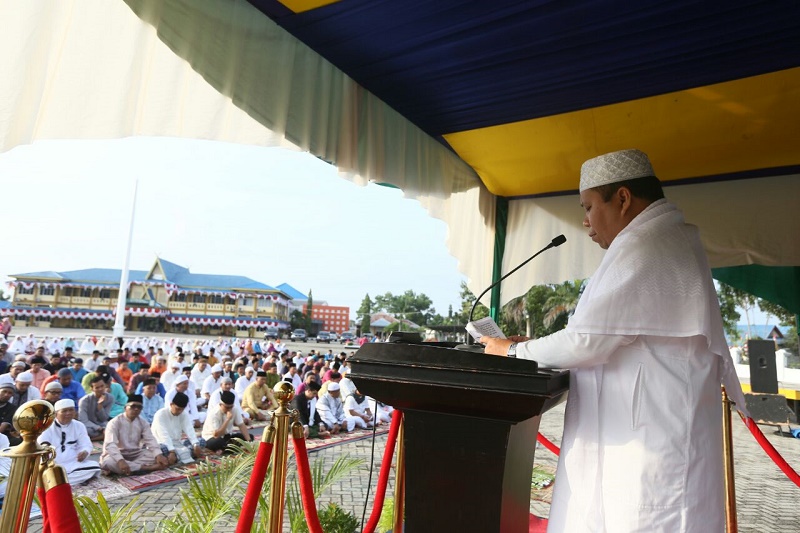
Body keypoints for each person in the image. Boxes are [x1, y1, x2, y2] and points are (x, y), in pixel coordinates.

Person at [480, 149, 747, 532]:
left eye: (589, 207)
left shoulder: (648, 245)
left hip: (650, 440)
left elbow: (588, 341)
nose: (585, 222)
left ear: (623, 199)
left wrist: (514, 350)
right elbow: (607, 333)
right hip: (639, 430)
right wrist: (535, 346)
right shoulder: (655, 240)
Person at [99, 394, 169, 475]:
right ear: (125, 408)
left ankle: (130, 468)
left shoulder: (143, 422)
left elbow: (150, 440)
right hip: (117, 455)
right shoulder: (114, 422)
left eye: (139, 407)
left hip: (135, 454)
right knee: (109, 462)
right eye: (133, 406)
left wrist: (158, 455)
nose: (136, 409)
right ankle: (147, 468)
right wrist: (120, 460)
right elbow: (110, 445)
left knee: (155, 454)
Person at [38, 399, 101, 486]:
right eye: (64, 411)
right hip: (53, 462)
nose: (68, 413)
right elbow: (42, 445)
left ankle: (56, 481)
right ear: (56, 414)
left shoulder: (79, 426)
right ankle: (64, 480)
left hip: (73, 462)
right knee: (43, 471)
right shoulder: (47, 426)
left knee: (95, 467)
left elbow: (86, 444)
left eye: (71, 410)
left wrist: (85, 452)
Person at [151, 391, 205, 465]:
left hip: (178, 443)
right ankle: (183, 454)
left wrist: (195, 444)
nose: (179, 412)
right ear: (171, 404)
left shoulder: (183, 413)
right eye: (177, 409)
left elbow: (189, 429)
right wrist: (171, 451)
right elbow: (163, 435)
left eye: (182, 409)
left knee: (201, 441)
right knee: (162, 449)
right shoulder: (160, 414)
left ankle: (178, 456)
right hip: (162, 443)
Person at [78, 376, 113, 440]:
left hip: (102, 424)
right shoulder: (84, 400)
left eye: (102, 386)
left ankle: (94, 438)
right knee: (84, 431)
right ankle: (101, 437)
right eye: (97, 387)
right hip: (89, 425)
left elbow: (104, 418)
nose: (100, 389)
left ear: (105, 385)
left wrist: (100, 406)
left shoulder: (110, 398)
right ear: (92, 389)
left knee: (113, 428)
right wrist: (98, 428)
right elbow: (84, 420)